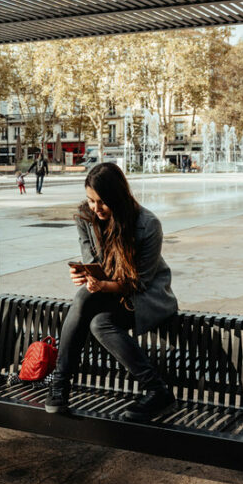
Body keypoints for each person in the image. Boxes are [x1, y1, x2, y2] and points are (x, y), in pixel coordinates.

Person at [45, 162, 178, 423]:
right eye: (90, 200)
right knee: (87, 301)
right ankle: (156, 390)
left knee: (98, 321)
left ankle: (61, 383)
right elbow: (91, 261)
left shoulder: (148, 225)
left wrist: (102, 285)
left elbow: (138, 283)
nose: (96, 208)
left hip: (145, 298)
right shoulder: (86, 217)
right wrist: (84, 274)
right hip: (109, 293)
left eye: (102, 202)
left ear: (118, 196)